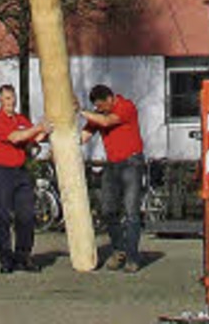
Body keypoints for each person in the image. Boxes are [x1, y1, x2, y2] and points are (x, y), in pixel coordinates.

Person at [79, 82, 144, 273]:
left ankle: (132, 257)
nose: (99, 110)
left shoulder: (126, 107)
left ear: (109, 99)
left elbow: (107, 122)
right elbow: (83, 136)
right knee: (108, 210)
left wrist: (81, 111)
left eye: (100, 106)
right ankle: (119, 250)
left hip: (131, 163)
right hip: (112, 164)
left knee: (131, 212)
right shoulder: (100, 114)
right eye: (96, 107)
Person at [0, 82, 48, 275]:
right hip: (2, 172)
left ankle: (23, 256)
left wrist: (46, 129)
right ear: (0, 100)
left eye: (12, 97)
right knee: (4, 217)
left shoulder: (21, 119)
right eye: (6, 98)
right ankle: (6, 260)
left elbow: (33, 138)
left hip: (21, 172)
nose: (10, 102)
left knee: (26, 215)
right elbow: (15, 138)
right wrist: (38, 127)